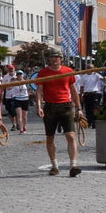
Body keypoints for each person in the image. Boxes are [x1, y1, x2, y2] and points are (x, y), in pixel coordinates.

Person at [35, 48, 81, 176]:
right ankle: (54, 166)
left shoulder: (68, 71)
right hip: (50, 107)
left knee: (70, 136)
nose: (54, 59)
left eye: (57, 57)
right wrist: (39, 106)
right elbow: (39, 90)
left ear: (61, 59)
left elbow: (73, 90)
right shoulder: (43, 72)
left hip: (66, 106)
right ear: (49, 59)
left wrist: (79, 108)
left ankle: (73, 165)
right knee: (50, 137)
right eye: (52, 57)